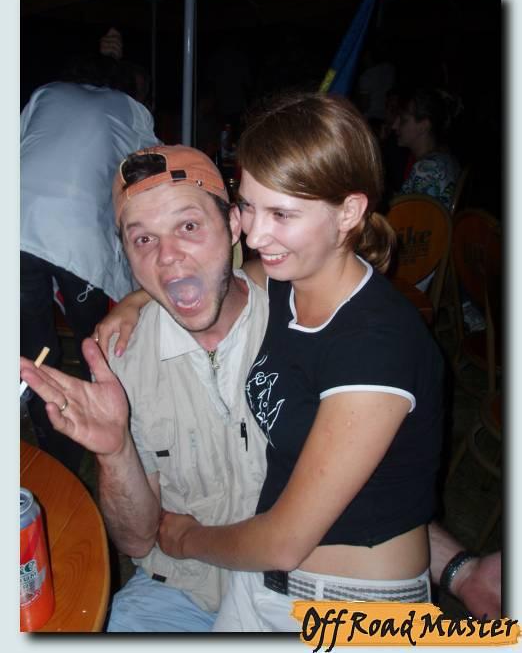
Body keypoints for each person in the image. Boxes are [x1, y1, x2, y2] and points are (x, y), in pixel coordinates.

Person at [20, 141, 500, 630]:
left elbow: (363, 485)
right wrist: (115, 450)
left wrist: (458, 569)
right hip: (184, 585)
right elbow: (137, 540)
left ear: (233, 226)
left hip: (299, 583)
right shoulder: (122, 359)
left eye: (189, 227)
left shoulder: (303, 320)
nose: (168, 257)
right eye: (143, 239)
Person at [20, 45, 159, 473]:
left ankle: (54, 454)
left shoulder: (47, 93)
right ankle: (112, 436)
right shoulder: (129, 108)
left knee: (37, 350)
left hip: (16, 226)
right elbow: (155, 167)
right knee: (97, 343)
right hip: (76, 238)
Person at [392, 86, 462, 211]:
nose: (394, 126)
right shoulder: (446, 158)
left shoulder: (427, 169)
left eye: (403, 120)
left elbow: (414, 219)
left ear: (424, 126)